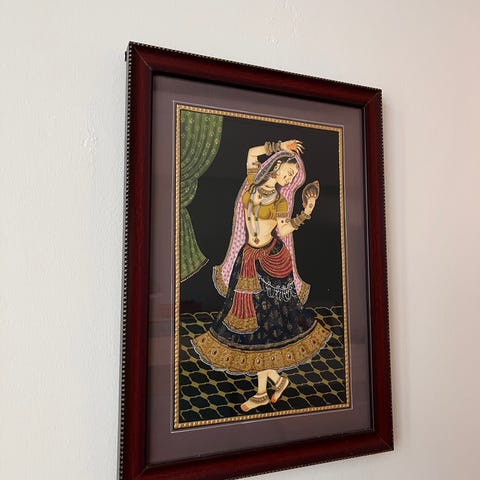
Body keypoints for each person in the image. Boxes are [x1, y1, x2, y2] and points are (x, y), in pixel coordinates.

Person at [192, 139, 331, 412]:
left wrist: (306, 212)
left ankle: (261, 393)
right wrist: (280, 146)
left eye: (292, 176)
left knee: (264, 327)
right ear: (276, 167)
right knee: (252, 326)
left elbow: (284, 230)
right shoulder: (252, 184)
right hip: (248, 259)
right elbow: (251, 153)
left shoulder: (279, 200)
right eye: (287, 173)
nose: (288, 179)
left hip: (271, 260)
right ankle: (275, 382)